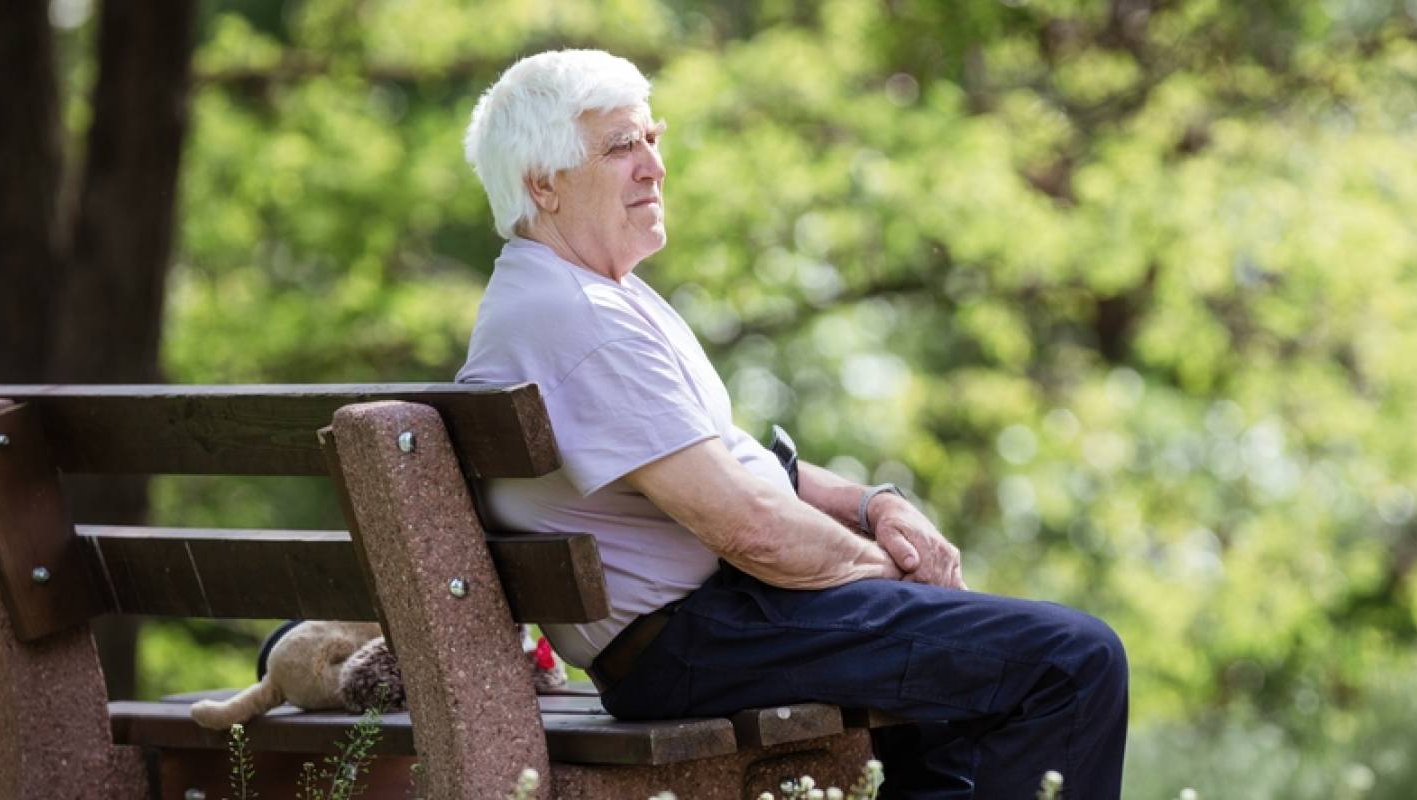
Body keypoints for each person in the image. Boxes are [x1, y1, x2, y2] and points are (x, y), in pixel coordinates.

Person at [456, 49, 1127, 799]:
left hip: (709, 626)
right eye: (621, 147)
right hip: (697, 638)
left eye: (653, 138)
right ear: (541, 184)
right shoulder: (579, 319)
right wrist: (889, 570)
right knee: (1074, 660)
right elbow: (752, 529)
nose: (653, 166)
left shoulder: (578, 297)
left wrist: (876, 505)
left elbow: (742, 463)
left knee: (969, 685)